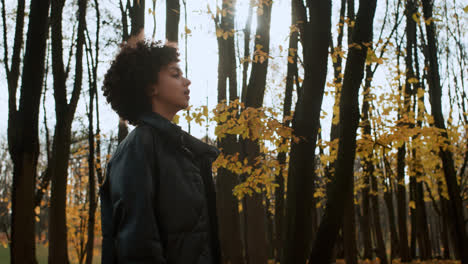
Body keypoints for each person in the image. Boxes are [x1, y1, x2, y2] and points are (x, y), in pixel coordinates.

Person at [99, 39, 221, 264]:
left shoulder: (183, 151)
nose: (187, 81)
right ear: (150, 87)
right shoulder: (138, 147)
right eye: (175, 75)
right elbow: (136, 245)